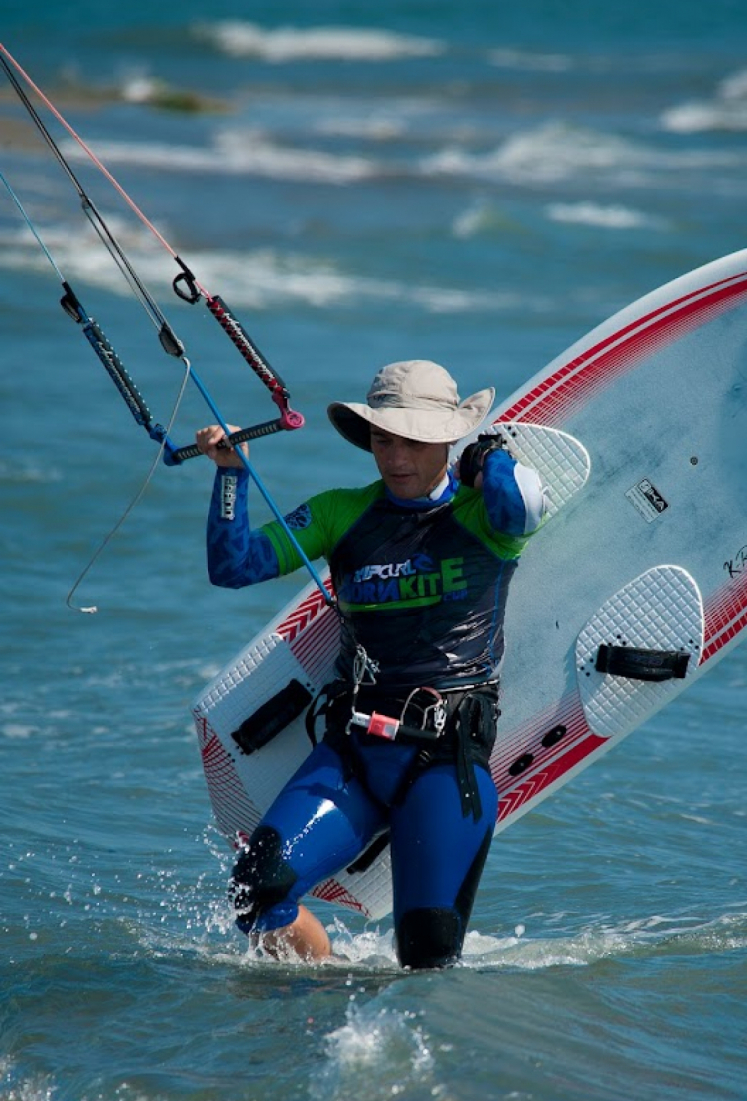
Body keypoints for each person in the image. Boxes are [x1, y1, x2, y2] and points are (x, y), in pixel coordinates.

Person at [197, 359, 545, 969]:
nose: (396, 457)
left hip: (446, 762)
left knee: (427, 960)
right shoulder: (341, 512)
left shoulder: (482, 519)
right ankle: (328, 985)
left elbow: (519, 504)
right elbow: (235, 567)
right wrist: (231, 476)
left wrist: (484, 456)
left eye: (414, 440)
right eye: (384, 439)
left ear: (445, 440)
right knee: (257, 891)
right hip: (352, 754)